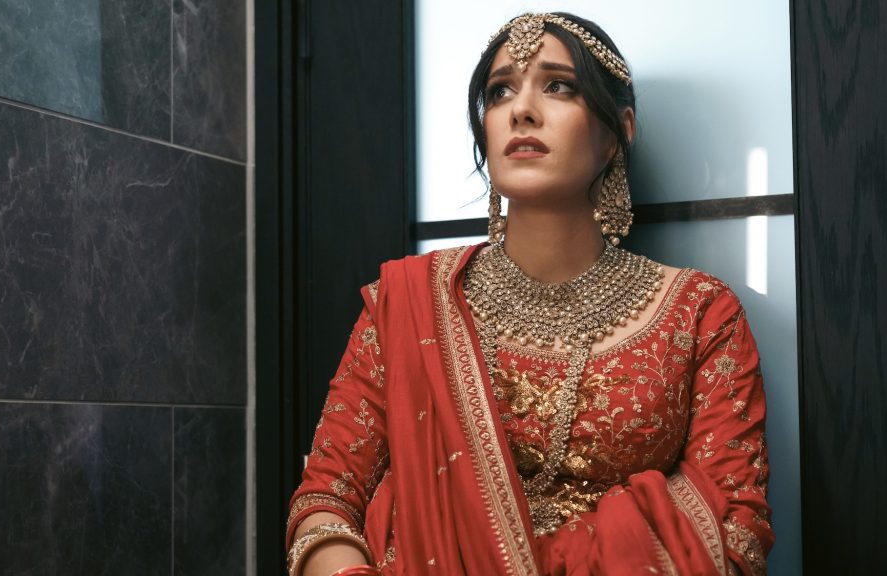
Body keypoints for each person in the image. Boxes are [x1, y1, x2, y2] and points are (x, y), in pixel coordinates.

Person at [286, 12, 773, 576]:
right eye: (499, 92)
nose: (520, 109)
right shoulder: (407, 304)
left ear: (620, 132)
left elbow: (733, 531)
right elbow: (325, 503)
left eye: (558, 85)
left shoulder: (698, 315)